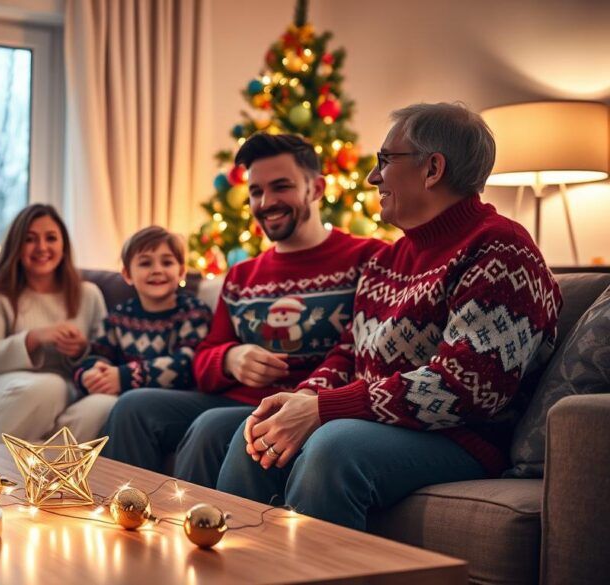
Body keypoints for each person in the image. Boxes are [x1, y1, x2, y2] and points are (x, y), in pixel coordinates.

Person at [217, 103, 563, 531]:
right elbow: (348, 353)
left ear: (432, 168)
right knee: (255, 434)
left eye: (384, 160)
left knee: (333, 448)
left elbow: (469, 386)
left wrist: (325, 409)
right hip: (380, 424)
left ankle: (314, 568)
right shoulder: (387, 260)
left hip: (462, 438)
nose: (372, 177)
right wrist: (303, 399)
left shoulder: (500, 249)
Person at [102, 134, 388, 485]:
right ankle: (125, 510)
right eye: (255, 191)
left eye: (281, 187)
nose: (266, 202)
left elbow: (362, 351)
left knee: (211, 427)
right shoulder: (241, 275)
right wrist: (230, 358)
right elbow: (204, 360)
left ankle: (195, 519)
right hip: (238, 399)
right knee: (133, 406)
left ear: (315, 188)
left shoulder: (368, 258)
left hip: (307, 406)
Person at [0, 204, 108, 444]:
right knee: (51, 387)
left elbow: (107, 355)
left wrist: (82, 350)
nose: (42, 247)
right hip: (5, 387)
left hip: (68, 391)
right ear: (16, 246)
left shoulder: (89, 294)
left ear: (63, 245)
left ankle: (45, 465)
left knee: (105, 404)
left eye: (51, 238)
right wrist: (34, 338)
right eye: (30, 239)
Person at [73, 226, 213, 402]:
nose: (157, 270)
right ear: (127, 274)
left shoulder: (194, 312)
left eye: (167, 263)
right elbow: (96, 354)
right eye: (145, 263)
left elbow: (187, 364)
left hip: (172, 402)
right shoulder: (118, 316)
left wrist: (125, 377)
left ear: (181, 272)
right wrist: (90, 375)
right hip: (121, 399)